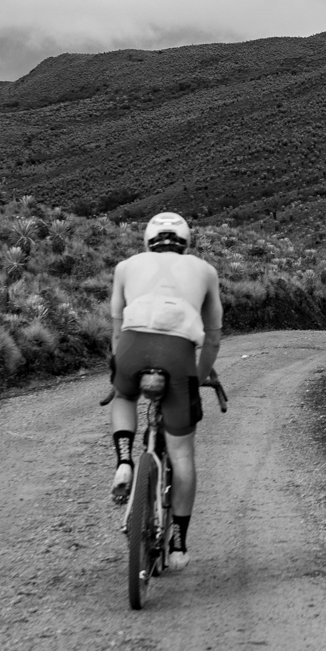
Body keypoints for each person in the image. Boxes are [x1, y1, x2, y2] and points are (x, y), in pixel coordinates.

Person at [107, 211, 223, 569]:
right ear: (187, 242)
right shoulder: (205, 271)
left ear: (147, 241)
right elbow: (214, 337)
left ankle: (125, 461)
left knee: (124, 396)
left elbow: (115, 327)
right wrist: (200, 375)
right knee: (182, 456)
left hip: (131, 345)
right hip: (177, 355)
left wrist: (117, 371)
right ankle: (177, 545)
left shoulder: (125, 267)